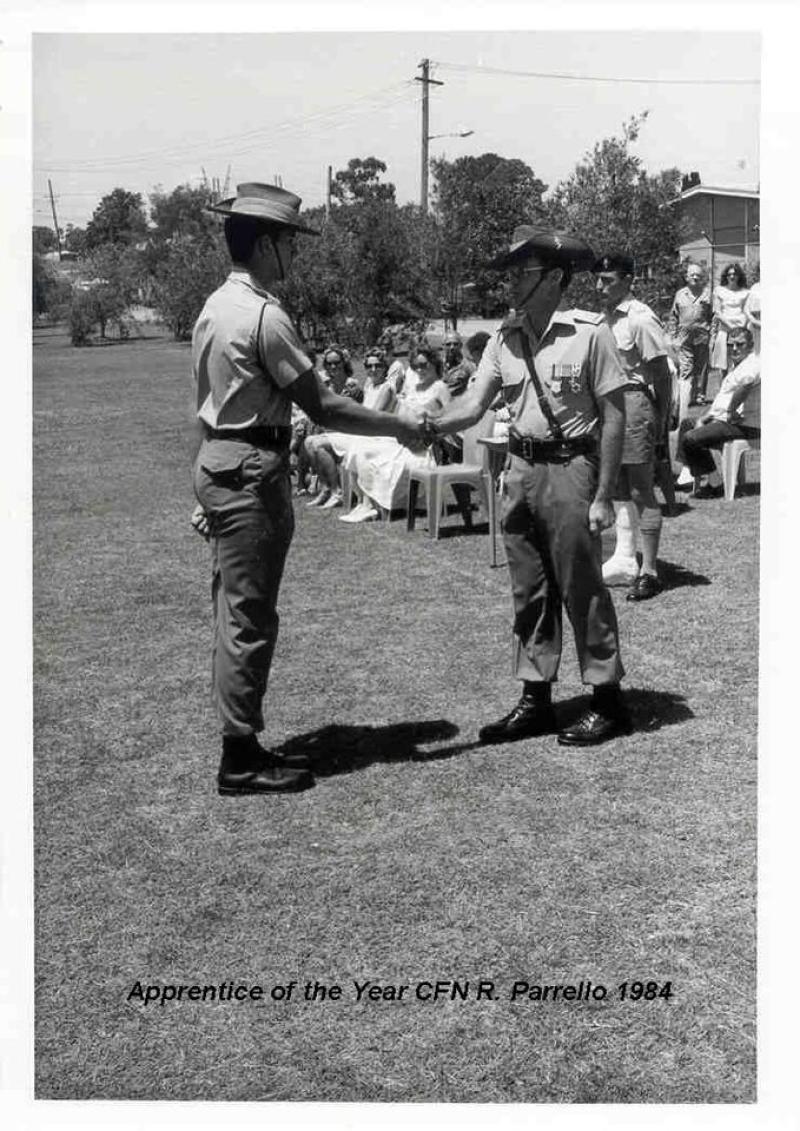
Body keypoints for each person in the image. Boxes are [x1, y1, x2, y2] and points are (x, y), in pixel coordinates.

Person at [190, 182, 422, 795]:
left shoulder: (216, 306)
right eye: (290, 241)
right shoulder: (265, 316)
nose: (295, 253)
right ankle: (239, 757)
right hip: (250, 470)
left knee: (231, 609)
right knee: (249, 616)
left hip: (221, 462)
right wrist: (401, 424)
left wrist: (204, 479)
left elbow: (206, 406)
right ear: (266, 243)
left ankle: (241, 741)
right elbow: (324, 406)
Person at [420, 225, 631, 747]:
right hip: (519, 470)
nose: (512, 282)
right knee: (529, 590)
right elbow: (471, 406)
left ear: (555, 278)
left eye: (523, 273)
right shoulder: (504, 338)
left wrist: (604, 493)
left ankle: (607, 700)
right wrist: (420, 425)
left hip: (570, 470)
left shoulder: (590, 332)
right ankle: (536, 698)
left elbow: (615, 416)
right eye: (512, 273)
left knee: (582, 585)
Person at [593, 254, 672, 602]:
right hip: (608, 408)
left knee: (641, 489)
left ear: (628, 281)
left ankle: (650, 571)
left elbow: (662, 374)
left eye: (608, 279)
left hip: (635, 404)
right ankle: (625, 558)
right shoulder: (602, 319)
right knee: (618, 486)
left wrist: (661, 418)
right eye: (598, 279)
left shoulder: (640, 319)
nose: (599, 286)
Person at [344, 344, 450, 523]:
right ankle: (365, 503)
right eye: (415, 365)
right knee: (360, 449)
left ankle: (370, 505)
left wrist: (428, 437)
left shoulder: (439, 387)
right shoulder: (413, 388)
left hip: (421, 446)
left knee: (366, 451)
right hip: (401, 439)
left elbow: (447, 421)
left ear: (434, 365)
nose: (419, 369)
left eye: (424, 365)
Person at [677, 326, 760, 496]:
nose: (734, 348)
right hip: (724, 419)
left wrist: (730, 411)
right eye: (731, 345)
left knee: (691, 438)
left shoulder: (752, 364)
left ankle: (715, 483)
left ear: (750, 346)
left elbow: (745, 386)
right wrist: (707, 416)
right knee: (687, 424)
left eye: (740, 344)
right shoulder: (737, 365)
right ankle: (688, 475)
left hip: (743, 424)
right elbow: (724, 397)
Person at [668, 263, 712, 410]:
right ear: (687, 277)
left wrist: (712, 334)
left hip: (702, 336)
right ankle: (685, 396)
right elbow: (673, 317)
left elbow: (714, 316)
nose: (694, 277)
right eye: (692, 274)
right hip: (684, 337)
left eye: (698, 275)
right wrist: (672, 337)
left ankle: (699, 396)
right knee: (686, 368)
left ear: (702, 278)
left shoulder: (707, 294)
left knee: (701, 369)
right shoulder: (680, 294)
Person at [709, 262, 749, 376]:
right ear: (726, 276)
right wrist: (731, 327)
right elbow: (717, 312)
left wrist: (740, 329)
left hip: (741, 332)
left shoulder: (746, 292)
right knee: (723, 368)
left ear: (739, 276)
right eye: (729, 274)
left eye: (735, 274)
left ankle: (737, 393)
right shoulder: (719, 290)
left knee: (739, 366)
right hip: (725, 332)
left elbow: (747, 312)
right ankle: (723, 392)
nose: (732, 276)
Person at [441, 331, 476, 398]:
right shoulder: (437, 365)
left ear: (461, 346)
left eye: (455, 344)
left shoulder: (469, 366)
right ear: (443, 346)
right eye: (448, 344)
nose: (452, 347)